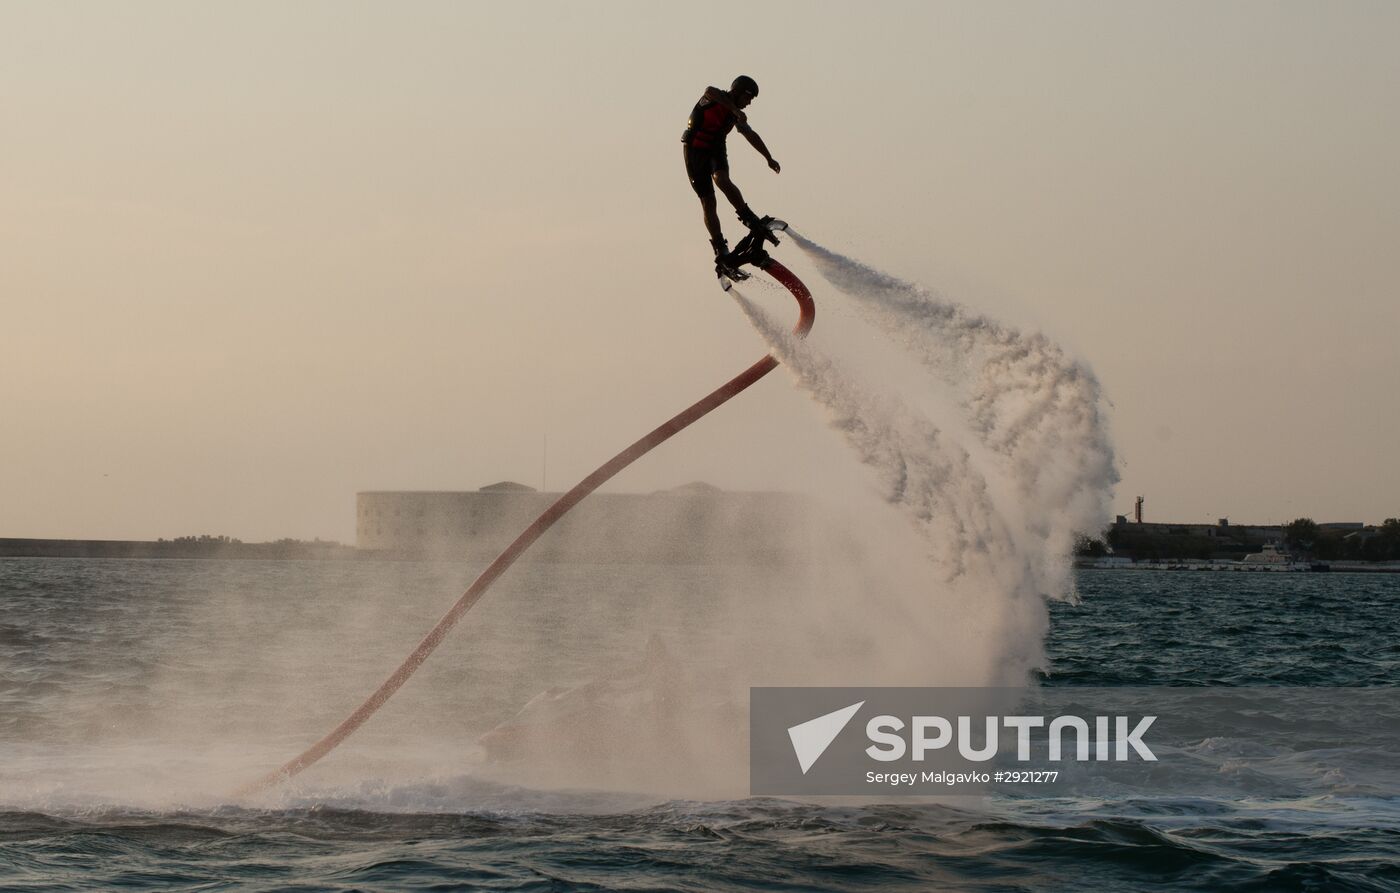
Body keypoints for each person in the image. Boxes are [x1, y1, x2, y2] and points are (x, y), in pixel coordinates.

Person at [681, 75, 781, 278]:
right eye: (749, 97)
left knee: (722, 180)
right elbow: (709, 89)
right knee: (708, 202)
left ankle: (749, 218)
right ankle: (719, 247)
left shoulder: (736, 115)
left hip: (716, 150)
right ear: (737, 91)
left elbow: (750, 135)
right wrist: (734, 109)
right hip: (695, 151)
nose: (749, 103)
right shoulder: (715, 98)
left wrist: (768, 158)